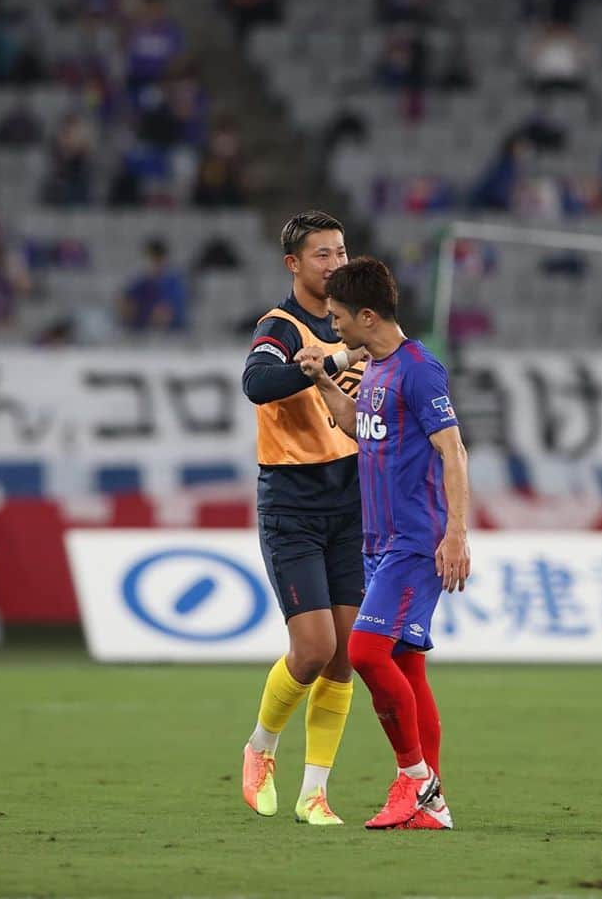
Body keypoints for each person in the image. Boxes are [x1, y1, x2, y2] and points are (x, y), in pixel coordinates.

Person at [298, 256, 470, 831]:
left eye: (340, 318)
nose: (335, 329)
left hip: (415, 541)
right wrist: (324, 381)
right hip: (379, 543)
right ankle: (433, 805)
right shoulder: (376, 368)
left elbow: (454, 451)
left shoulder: (419, 370)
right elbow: (356, 425)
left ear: (367, 315)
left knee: (366, 653)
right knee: (408, 668)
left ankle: (416, 781)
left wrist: (456, 533)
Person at [240, 211, 368, 826]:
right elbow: (257, 383)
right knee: (313, 648)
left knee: (347, 654)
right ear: (294, 264)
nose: (335, 264)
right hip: (292, 501)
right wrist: (318, 363)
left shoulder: (356, 324)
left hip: (350, 501)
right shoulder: (282, 326)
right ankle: (261, 748)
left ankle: (315, 792)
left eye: (341, 252)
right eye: (322, 255)